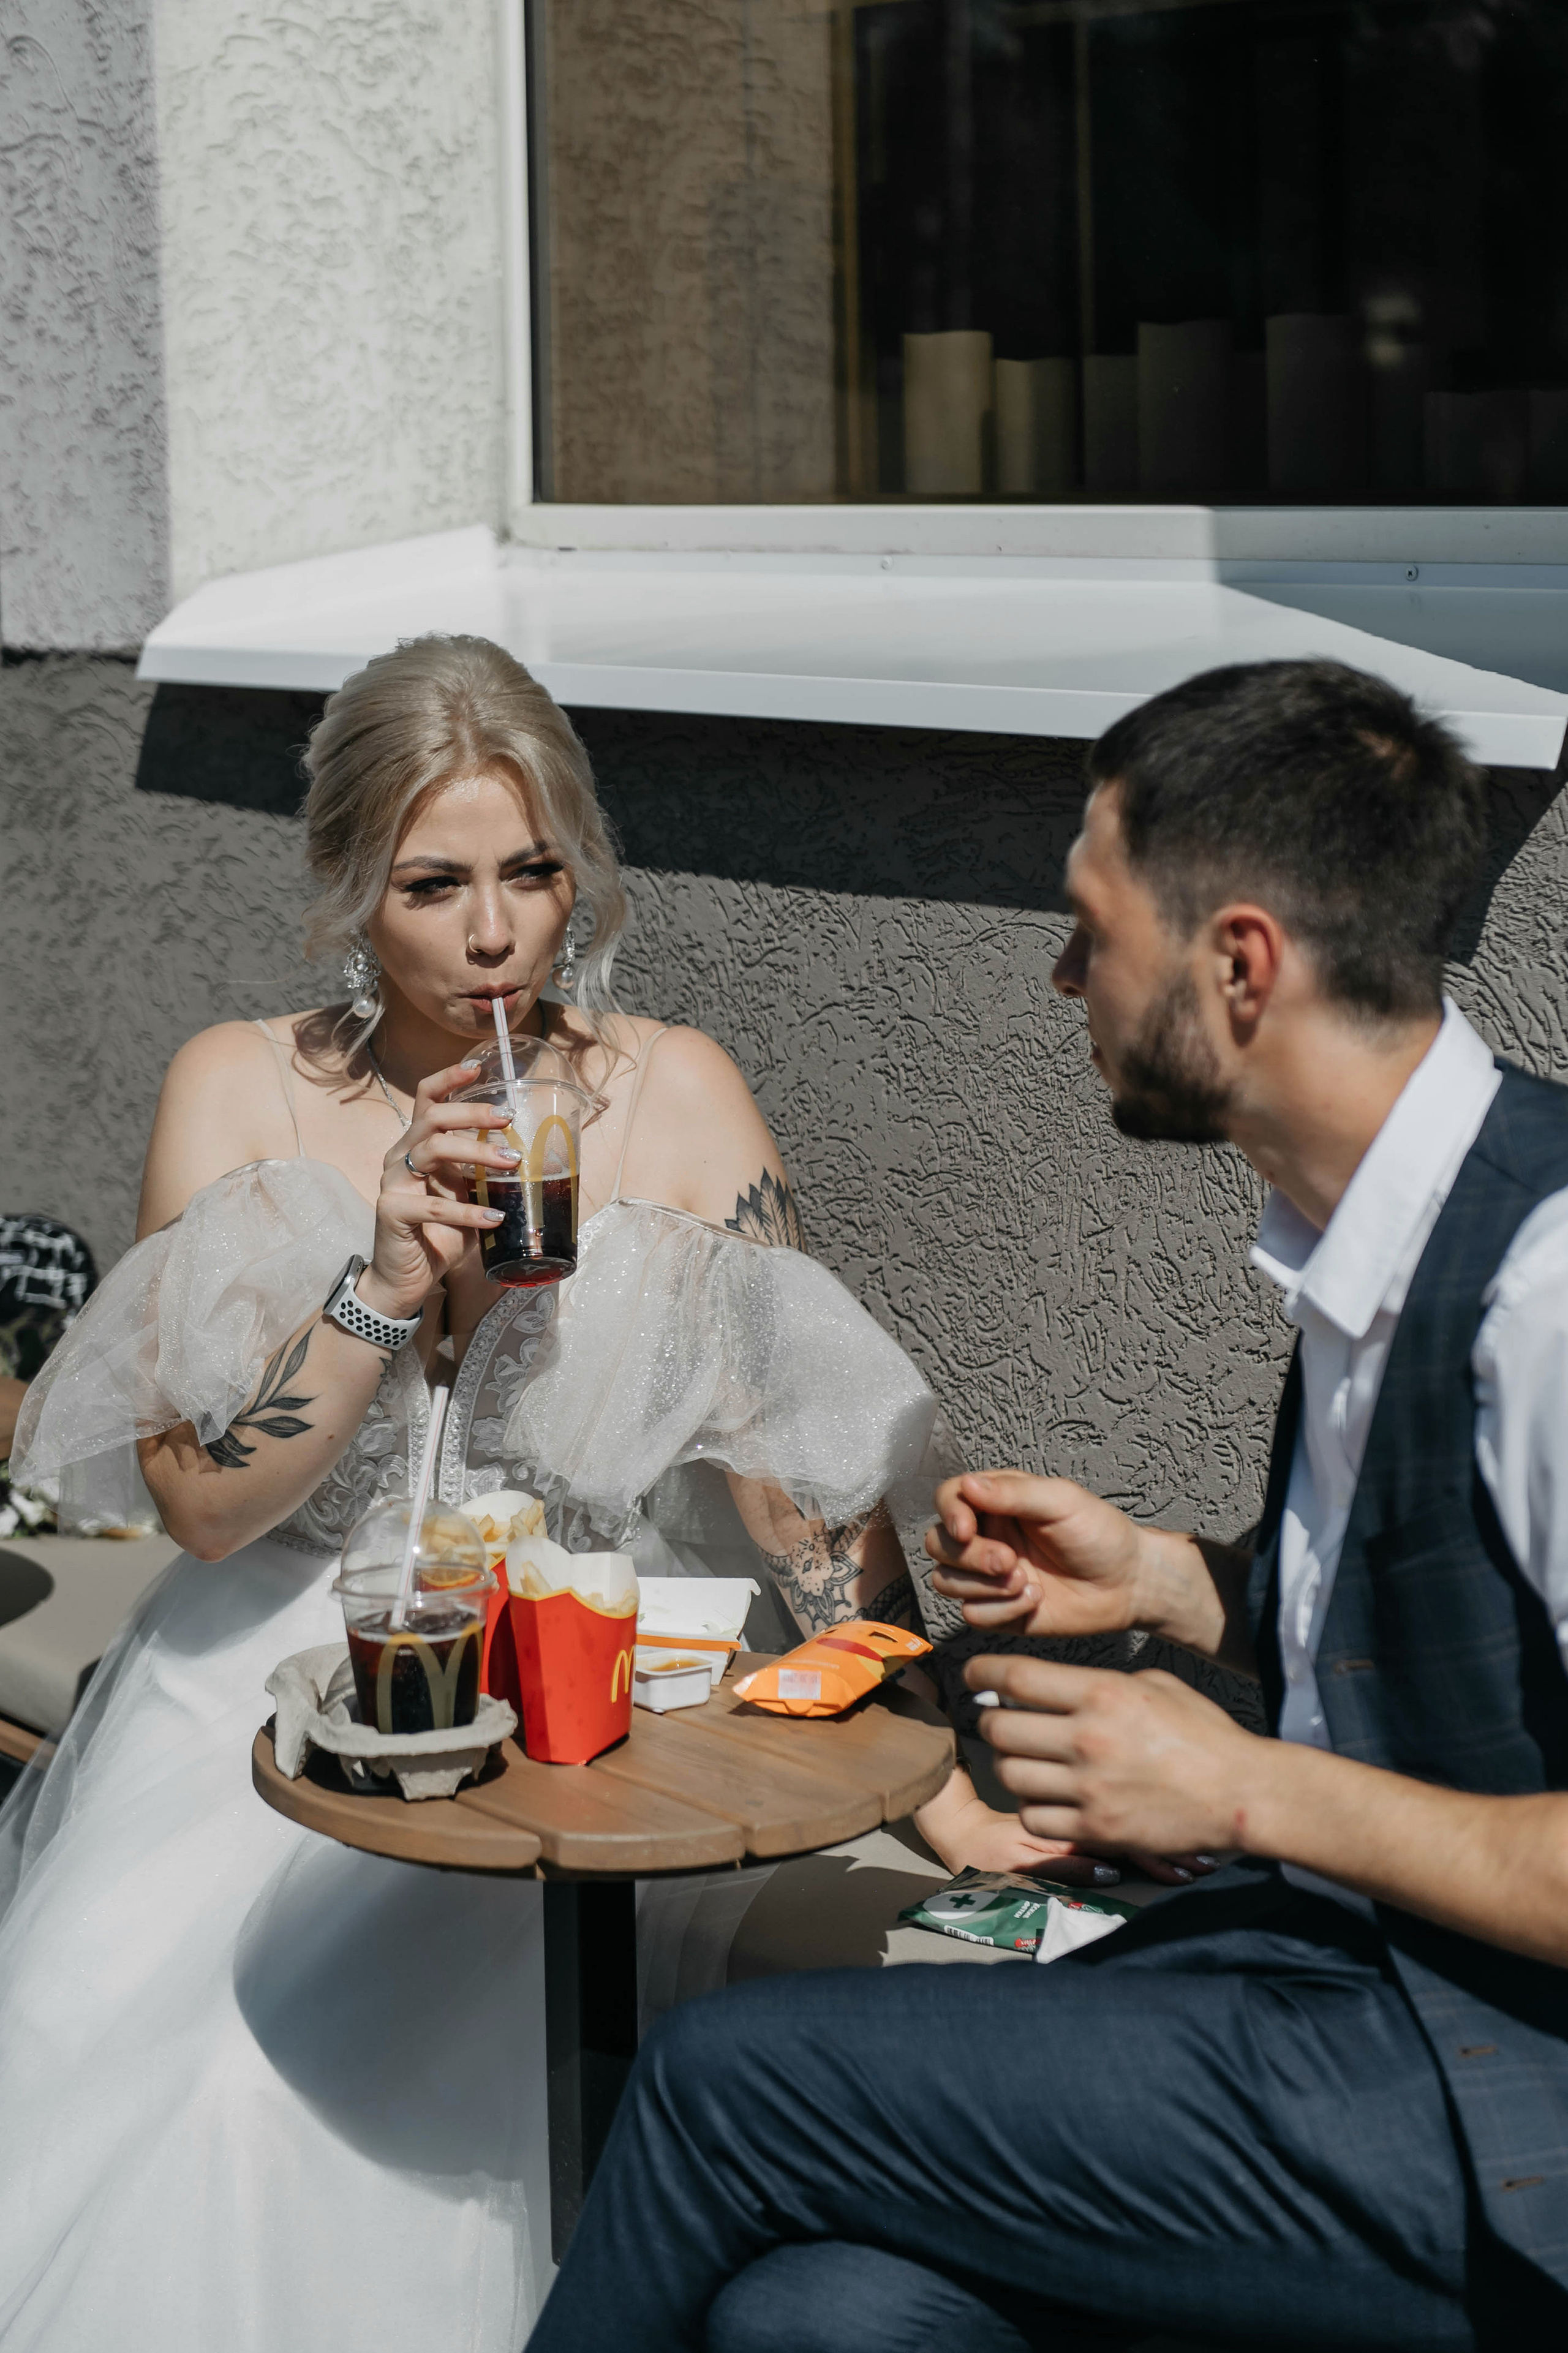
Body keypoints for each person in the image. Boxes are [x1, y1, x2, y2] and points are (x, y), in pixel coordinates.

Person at [0, 633, 1038, 2352]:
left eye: (531, 872)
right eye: (434, 884)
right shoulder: (240, 1087)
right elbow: (199, 1505)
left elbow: (806, 1501)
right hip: (280, 1691)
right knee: (232, 2062)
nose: (492, 934)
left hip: (582, 1685)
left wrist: (931, 1782)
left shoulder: (672, 1092)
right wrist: (383, 1278)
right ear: (352, 886)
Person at [526, 658, 1568, 2353]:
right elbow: (1473, 1662)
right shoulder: (1376, 1233)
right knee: (824, 2317)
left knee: (724, 2079)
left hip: (1498, 2105)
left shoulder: (1545, 1282)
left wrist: (1246, 1782)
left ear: (1239, 965)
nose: (1063, 970)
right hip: (1343, 1989)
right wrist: (1168, 1578)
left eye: (1093, 924)